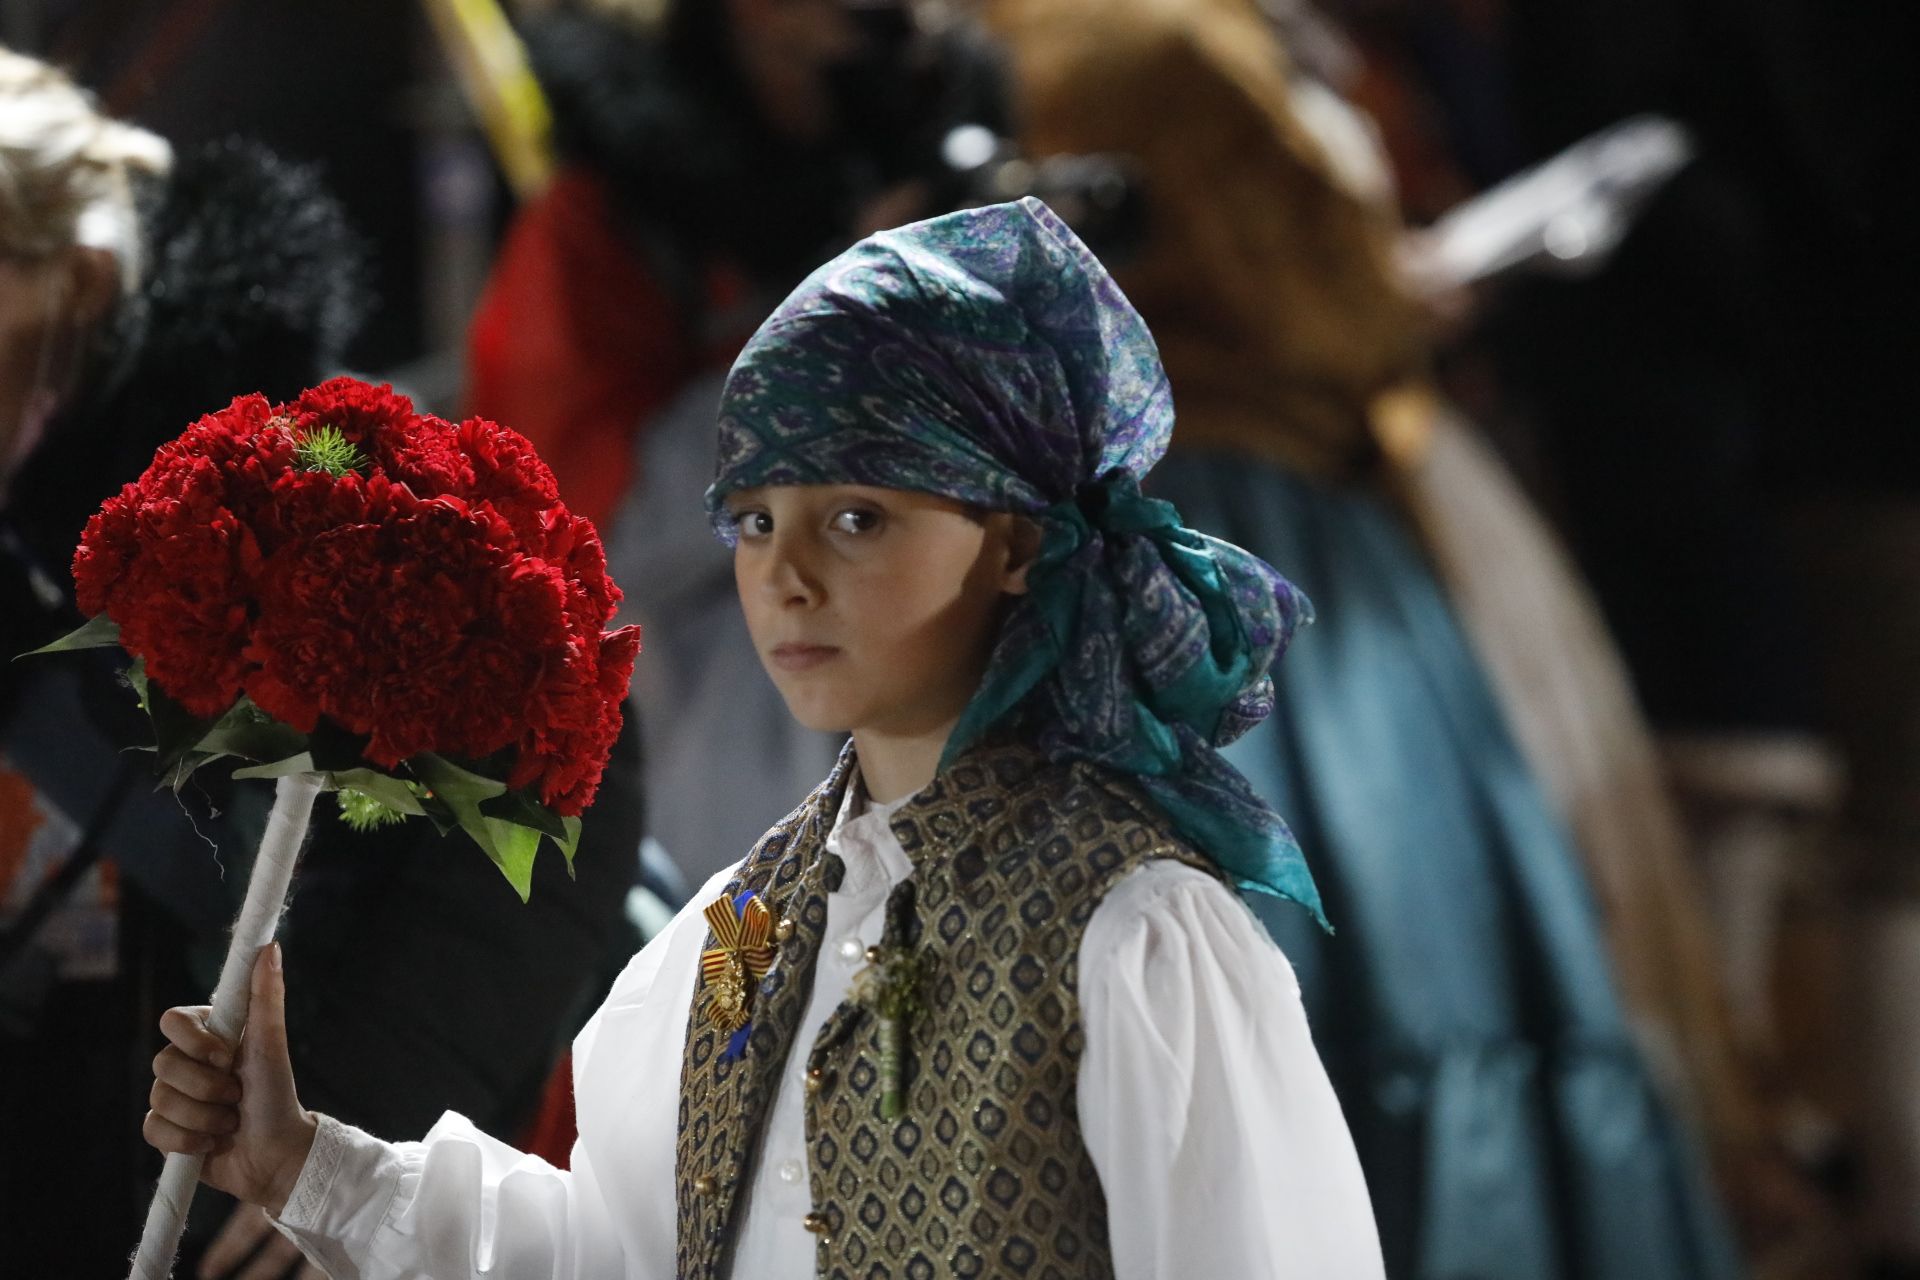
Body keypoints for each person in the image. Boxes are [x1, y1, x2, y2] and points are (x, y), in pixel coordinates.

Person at [142, 197, 1383, 1278]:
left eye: (855, 516)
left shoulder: (1128, 934)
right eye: (751, 518)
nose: (784, 575)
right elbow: (625, 1250)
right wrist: (307, 1161)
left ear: (1014, 540)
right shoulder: (746, 926)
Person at [981, 2, 1746, 1276]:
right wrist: (1410, 296)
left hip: (1081, 544)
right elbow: (1327, 314)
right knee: (1402, 935)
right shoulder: (1180, 48)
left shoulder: (1003, 46)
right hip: (1261, 521)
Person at [0, 48, 642, 1277]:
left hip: (226, 1197)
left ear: (72, 283)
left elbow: (561, 798)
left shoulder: (306, 476)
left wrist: (338, 1137)